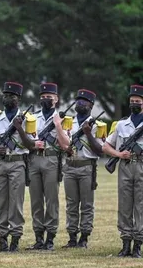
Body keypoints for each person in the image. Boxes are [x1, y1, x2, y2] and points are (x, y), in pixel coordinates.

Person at [0, 82, 36, 252]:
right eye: (5, 96)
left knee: (16, 201)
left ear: (18, 99)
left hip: (18, 162)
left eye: (11, 96)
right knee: (1, 201)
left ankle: (15, 239)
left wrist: (20, 129)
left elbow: (32, 145)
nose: (8, 99)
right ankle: (2, 238)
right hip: (0, 163)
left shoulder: (28, 119)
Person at [26, 83, 70, 250]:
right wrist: (33, 144)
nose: (45, 99)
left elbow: (66, 144)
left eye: (49, 97)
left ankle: (50, 238)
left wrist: (58, 125)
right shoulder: (32, 118)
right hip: (34, 160)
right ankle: (38, 237)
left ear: (56, 99)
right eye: (43, 97)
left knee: (51, 200)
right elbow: (26, 139)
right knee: (36, 200)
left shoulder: (64, 119)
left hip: (52, 159)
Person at [61, 89, 105, 249]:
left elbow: (100, 150)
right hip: (70, 166)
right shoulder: (68, 123)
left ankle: (84, 238)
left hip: (87, 167)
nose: (81, 103)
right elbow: (63, 143)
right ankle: (72, 237)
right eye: (79, 100)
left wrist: (88, 133)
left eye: (85, 101)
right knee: (71, 204)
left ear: (91, 105)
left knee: (86, 204)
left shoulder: (98, 126)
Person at [103, 85, 143, 257]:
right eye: (132, 101)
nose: (134, 103)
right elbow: (105, 146)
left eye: (138, 101)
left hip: (141, 166)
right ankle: (126, 243)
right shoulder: (120, 124)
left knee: (140, 206)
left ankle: (138, 245)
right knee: (125, 205)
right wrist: (119, 154)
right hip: (125, 167)